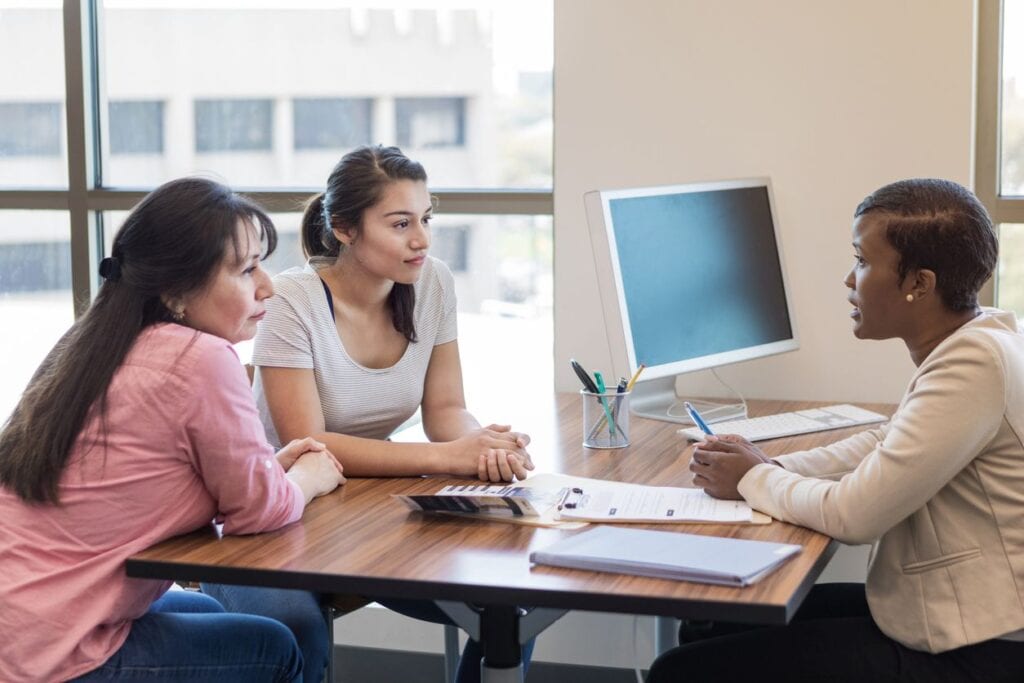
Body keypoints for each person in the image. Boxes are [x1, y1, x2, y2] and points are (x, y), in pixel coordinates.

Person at [647, 178, 1024, 682]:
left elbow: (854, 517)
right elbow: (887, 439)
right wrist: (770, 466)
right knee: (714, 623)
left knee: (683, 670)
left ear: (920, 284)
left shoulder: (973, 365)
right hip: (959, 613)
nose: (850, 280)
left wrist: (751, 481)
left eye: (863, 261)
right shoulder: (979, 339)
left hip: (982, 646)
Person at [202, 145, 535, 683]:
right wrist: (452, 458)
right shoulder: (292, 300)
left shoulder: (432, 283)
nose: (421, 239)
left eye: (426, 219)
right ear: (345, 229)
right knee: (294, 631)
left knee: (512, 604)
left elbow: (446, 409)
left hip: (361, 509)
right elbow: (310, 442)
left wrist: (482, 447)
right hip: (266, 512)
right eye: (400, 223)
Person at [0, 177, 346, 683]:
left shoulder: (89, 345)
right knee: (275, 648)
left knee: (209, 613)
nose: (267, 285)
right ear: (176, 290)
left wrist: (271, 471)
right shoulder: (200, 357)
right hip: (48, 651)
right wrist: (311, 475)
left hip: (25, 617)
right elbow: (260, 511)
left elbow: (148, 478)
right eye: (247, 269)